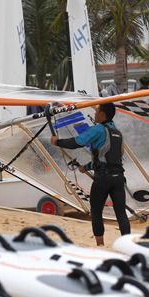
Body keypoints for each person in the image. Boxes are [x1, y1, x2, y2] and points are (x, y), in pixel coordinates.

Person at [51, 102, 130, 246]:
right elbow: (110, 158)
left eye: (97, 111)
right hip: (118, 178)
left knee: (96, 211)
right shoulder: (118, 133)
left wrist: (58, 142)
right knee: (121, 214)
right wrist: (87, 167)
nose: (95, 114)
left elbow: (78, 142)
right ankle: (129, 245)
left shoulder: (99, 129)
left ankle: (100, 245)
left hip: (103, 179)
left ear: (102, 114)